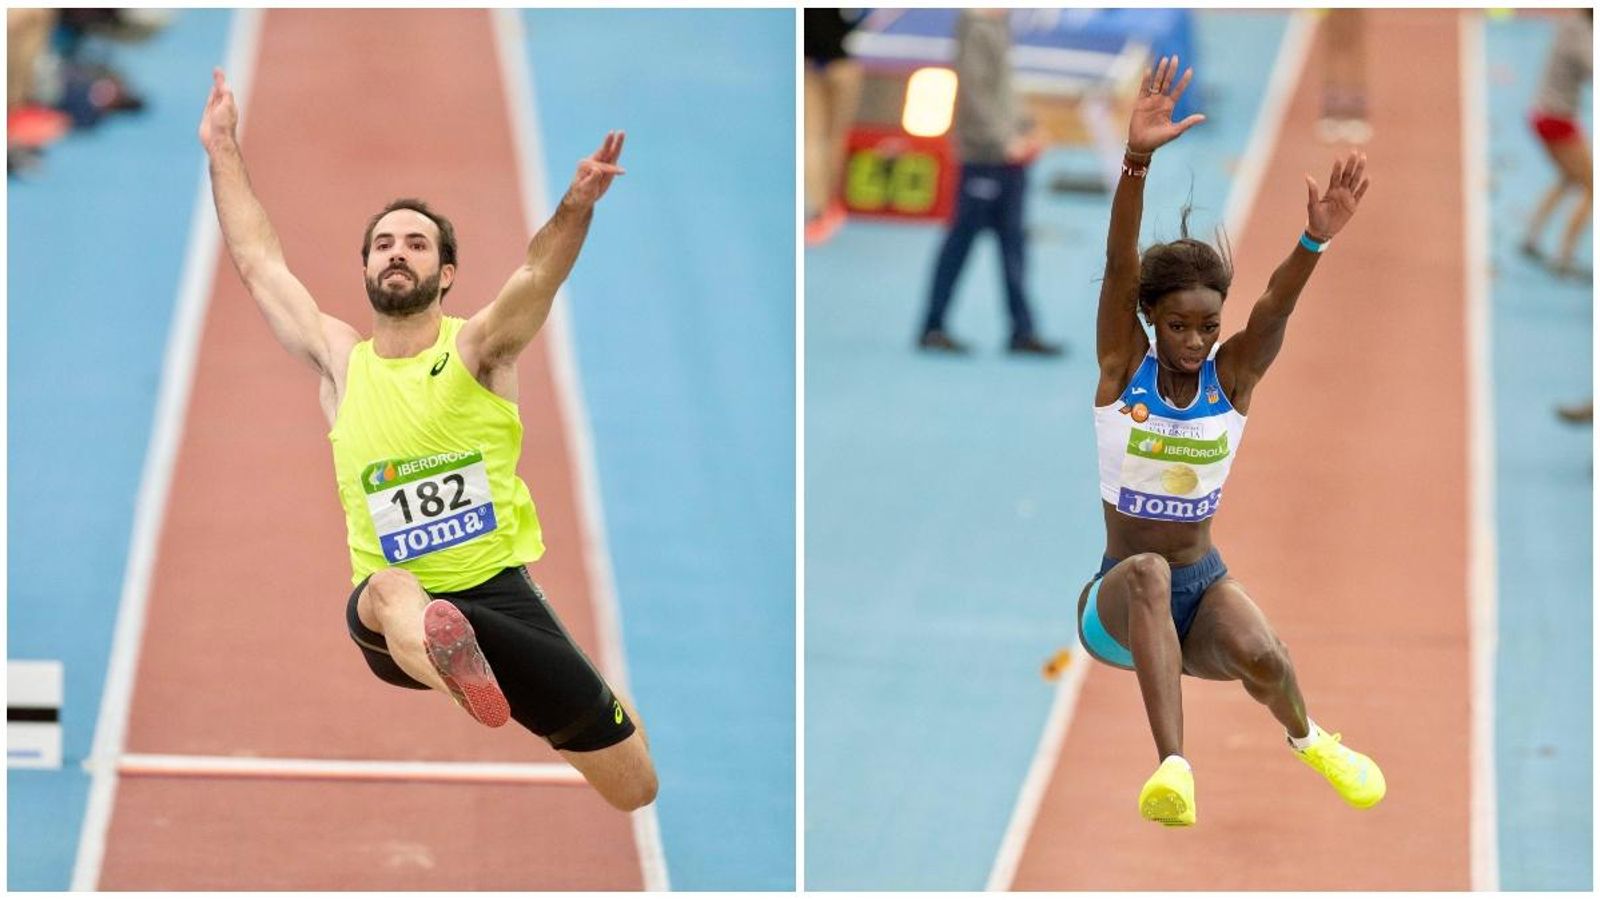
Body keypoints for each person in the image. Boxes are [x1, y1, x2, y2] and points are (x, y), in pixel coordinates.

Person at [198, 68, 657, 811]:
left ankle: (510, 665)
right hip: (396, 614)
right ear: (368, 268)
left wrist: (576, 206)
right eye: (383, 244)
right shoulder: (340, 361)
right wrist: (222, 147)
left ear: (445, 273)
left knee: (634, 786)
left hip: (500, 596)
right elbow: (259, 261)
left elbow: (537, 275)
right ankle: (454, 668)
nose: (397, 252)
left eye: (416, 243)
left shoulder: (479, 351)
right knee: (391, 587)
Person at [1078, 55, 1382, 827]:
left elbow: (1274, 308)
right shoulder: (1124, 371)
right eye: (1176, 325)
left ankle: (1311, 739)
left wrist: (1314, 243)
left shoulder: (1233, 379)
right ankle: (1173, 766)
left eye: (1206, 326)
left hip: (1200, 586)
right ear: (1152, 321)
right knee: (1148, 568)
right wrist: (1137, 160)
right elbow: (1119, 270)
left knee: (1267, 657)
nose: (1191, 339)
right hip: (1120, 595)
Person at [917, 8, 1061, 356]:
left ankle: (1022, 330)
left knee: (1014, 247)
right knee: (960, 244)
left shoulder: (997, 26)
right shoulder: (976, 29)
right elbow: (975, 92)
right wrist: (1003, 142)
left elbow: (1003, 91)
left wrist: (1027, 127)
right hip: (984, 157)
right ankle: (932, 325)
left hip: (1008, 159)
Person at [1520, 8, 1592, 280]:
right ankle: (1565, 256)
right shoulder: (1580, 32)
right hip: (1556, 119)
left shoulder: (1572, 24)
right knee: (1592, 185)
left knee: (1569, 177)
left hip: (1545, 113)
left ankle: (1531, 237)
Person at [803, 7, 863, 246]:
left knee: (813, 140)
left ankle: (821, 211)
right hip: (840, 62)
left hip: (808, 65)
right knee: (833, 138)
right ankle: (829, 207)